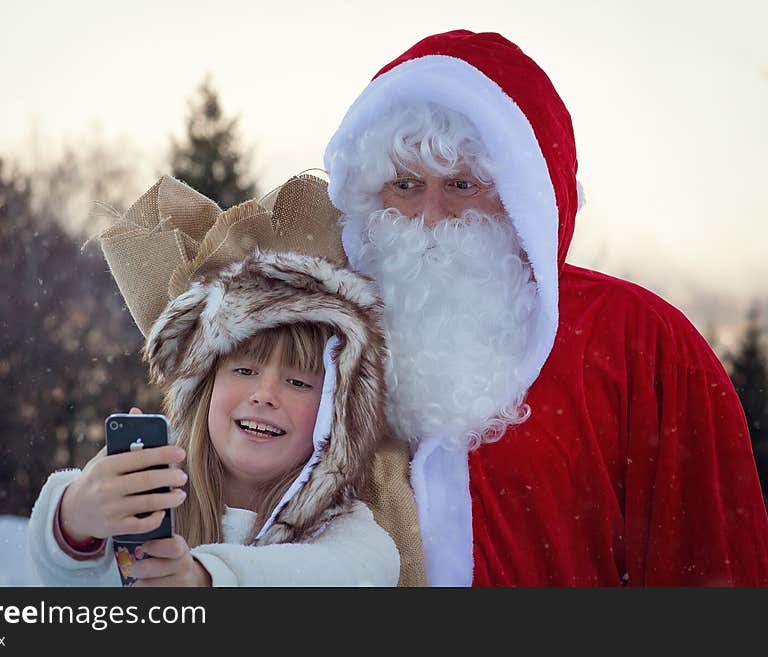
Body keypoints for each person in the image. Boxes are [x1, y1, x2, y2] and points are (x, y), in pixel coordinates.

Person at [322, 29, 768, 586]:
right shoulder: (314, 337)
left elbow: (711, 564)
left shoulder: (640, 340)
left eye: (462, 184)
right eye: (406, 185)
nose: (431, 216)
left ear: (521, 196)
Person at [27, 174, 409, 586]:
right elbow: (68, 574)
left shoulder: (354, 539)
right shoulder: (148, 506)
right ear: (203, 389)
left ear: (336, 413)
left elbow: (336, 577)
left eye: (298, 382)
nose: (264, 395)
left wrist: (206, 578)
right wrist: (75, 515)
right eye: (244, 371)